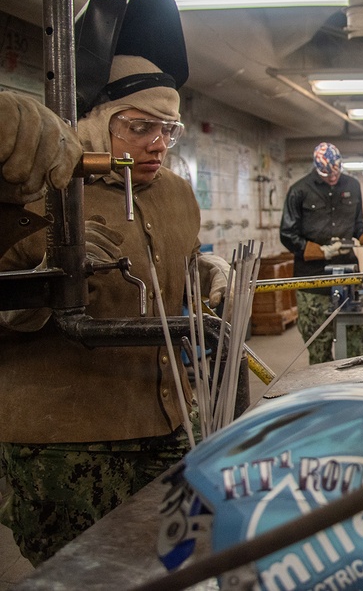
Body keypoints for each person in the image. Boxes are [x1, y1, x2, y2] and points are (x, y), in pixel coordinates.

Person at [0, 54, 230, 565]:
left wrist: (205, 272)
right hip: (68, 441)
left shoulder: (176, 192)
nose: (157, 144)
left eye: (168, 131)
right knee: (80, 573)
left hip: (169, 424)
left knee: (174, 564)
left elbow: (178, 265)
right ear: (95, 121)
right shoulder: (31, 190)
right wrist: (50, 275)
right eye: (140, 127)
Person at [280, 142, 363, 364]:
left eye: (336, 172)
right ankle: (323, 386)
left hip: (347, 279)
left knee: (355, 347)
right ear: (316, 168)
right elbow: (287, 234)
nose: (332, 177)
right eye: (327, 174)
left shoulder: (352, 185)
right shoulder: (299, 191)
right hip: (313, 282)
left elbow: (357, 226)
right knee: (319, 349)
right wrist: (321, 252)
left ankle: (355, 384)